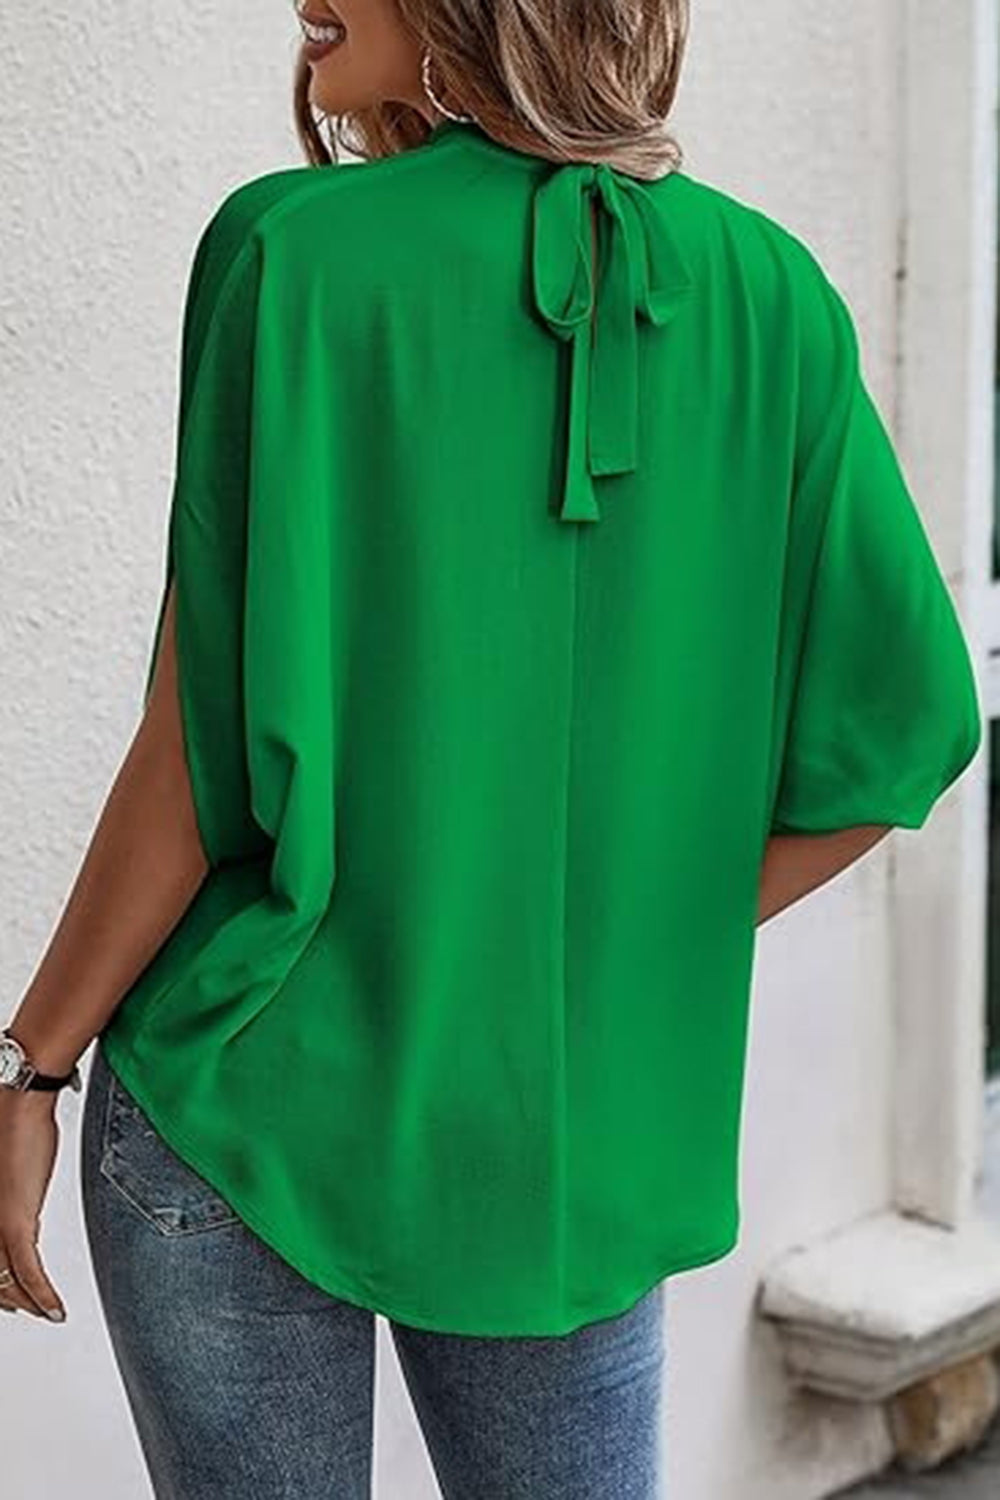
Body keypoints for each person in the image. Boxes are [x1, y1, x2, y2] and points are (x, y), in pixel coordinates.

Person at [0, 0, 983, 1495]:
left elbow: (192, 754)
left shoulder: (293, 257)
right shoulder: (775, 297)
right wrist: (615, 949)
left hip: (245, 1105)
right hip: (567, 1161)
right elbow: (909, 727)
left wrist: (31, 1072)